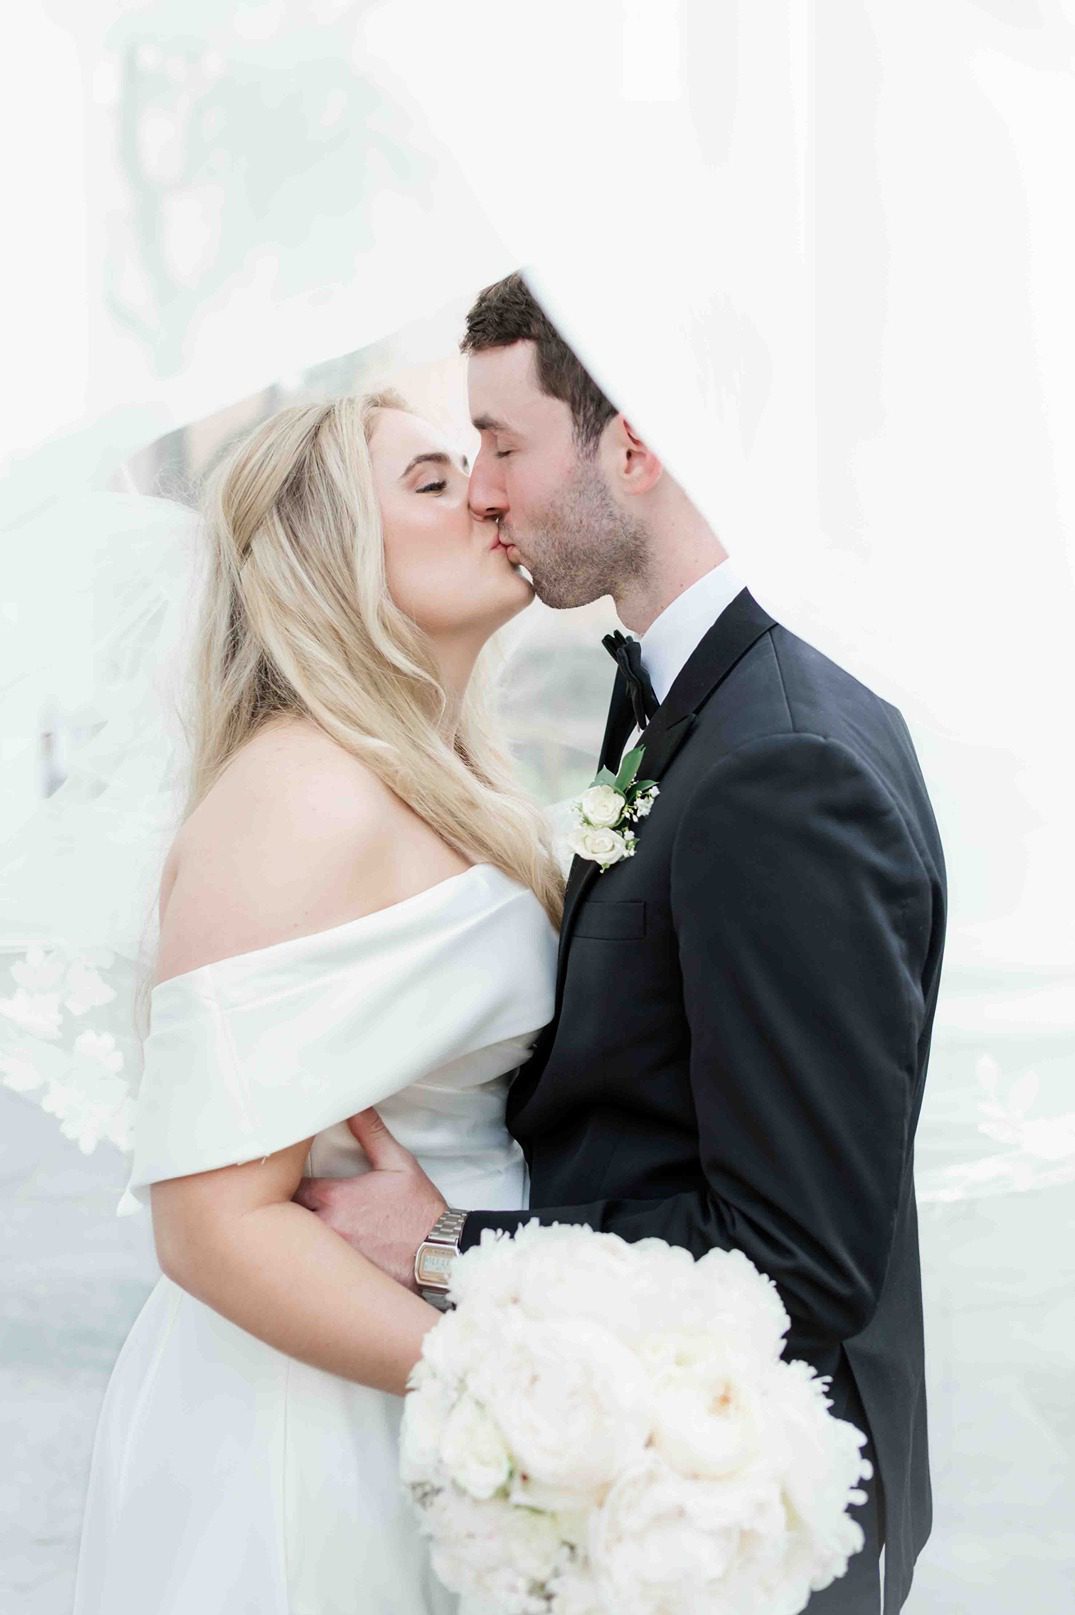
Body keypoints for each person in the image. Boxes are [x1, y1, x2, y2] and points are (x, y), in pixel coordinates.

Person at [298, 274, 948, 1615]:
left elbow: (795, 1257)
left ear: (634, 445)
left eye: (502, 440)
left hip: (730, 1519)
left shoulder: (782, 764)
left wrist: (447, 1246)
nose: (481, 487)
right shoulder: (689, 703)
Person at [71, 389, 562, 1614]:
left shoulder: (438, 773)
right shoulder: (297, 794)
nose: (488, 496)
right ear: (326, 554)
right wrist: (508, 1395)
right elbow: (213, 1225)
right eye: (433, 483)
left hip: (426, 1366)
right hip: (329, 1411)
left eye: (479, 467)